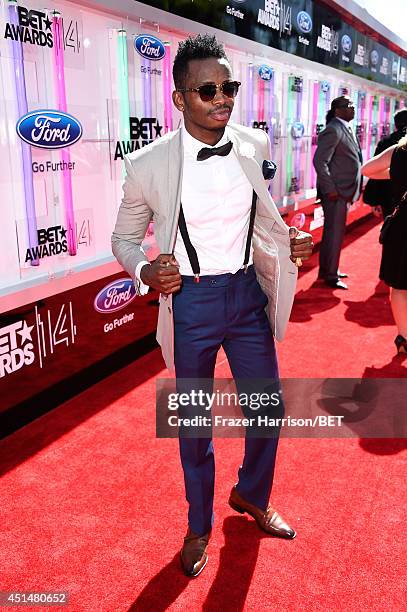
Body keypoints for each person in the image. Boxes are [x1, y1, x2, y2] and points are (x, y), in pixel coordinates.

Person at [111, 34, 313, 577]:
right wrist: (145, 270)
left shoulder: (253, 145)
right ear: (180, 99)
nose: (222, 98)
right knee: (194, 424)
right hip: (191, 302)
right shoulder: (147, 165)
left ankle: (250, 494)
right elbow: (124, 239)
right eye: (208, 90)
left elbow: (265, 219)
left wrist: (291, 238)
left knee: (267, 410)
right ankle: (198, 523)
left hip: (246, 296)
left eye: (229, 87)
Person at [362, 135, 407, 354]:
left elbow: (367, 170)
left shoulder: (398, 152)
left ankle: (404, 338)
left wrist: (395, 174)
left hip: (402, 226)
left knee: (399, 285)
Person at [313, 96, 363, 289]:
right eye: (348, 106)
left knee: (334, 233)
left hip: (343, 191)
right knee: (334, 234)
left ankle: (329, 270)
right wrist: (331, 189)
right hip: (336, 193)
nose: (352, 108)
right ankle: (330, 275)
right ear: (337, 110)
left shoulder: (345, 127)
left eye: (352, 105)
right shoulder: (333, 129)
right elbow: (319, 161)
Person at [363, 108, 407, 218]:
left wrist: (374, 200)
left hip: (390, 197)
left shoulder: (389, 143)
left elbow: (368, 170)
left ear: (396, 124)